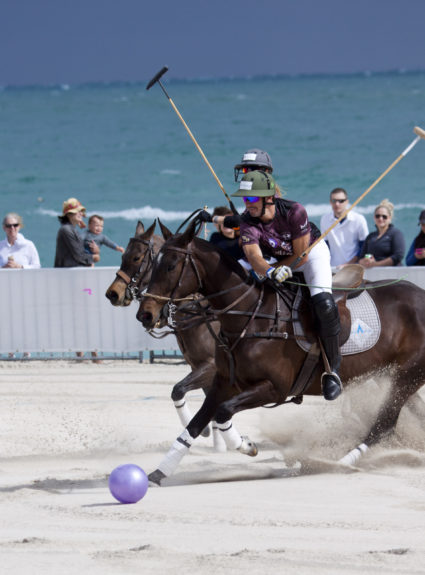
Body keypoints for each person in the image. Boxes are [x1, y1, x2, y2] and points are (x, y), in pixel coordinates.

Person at [208, 170, 342, 401]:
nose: (246, 204)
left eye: (250, 199)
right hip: (277, 262)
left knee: (323, 304)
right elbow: (253, 256)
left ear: (268, 198)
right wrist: (270, 271)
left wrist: (282, 268)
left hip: (310, 254)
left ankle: (332, 371)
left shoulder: (294, 211)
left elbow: (301, 256)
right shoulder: (248, 221)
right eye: (244, 199)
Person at [320, 187, 369, 266]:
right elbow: (325, 246)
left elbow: (364, 246)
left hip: (353, 267)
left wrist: (349, 264)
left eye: (341, 201)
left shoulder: (359, 219)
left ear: (347, 202)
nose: (337, 204)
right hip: (333, 267)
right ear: (330, 202)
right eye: (334, 201)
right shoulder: (325, 219)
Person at [358, 199, 405, 268]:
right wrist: (365, 261)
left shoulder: (395, 233)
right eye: (377, 216)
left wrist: (376, 264)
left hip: (392, 274)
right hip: (374, 275)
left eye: (384, 216)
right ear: (374, 217)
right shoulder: (370, 236)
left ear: (389, 218)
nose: (380, 218)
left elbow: (398, 256)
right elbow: (361, 257)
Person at [54, 198, 100, 268]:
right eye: (77, 211)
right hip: (65, 275)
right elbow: (79, 256)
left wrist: (95, 251)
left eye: (81, 211)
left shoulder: (70, 230)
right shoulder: (66, 230)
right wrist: (94, 258)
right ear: (69, 214)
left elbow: (80, 253)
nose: (81, 213)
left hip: (69, 273)